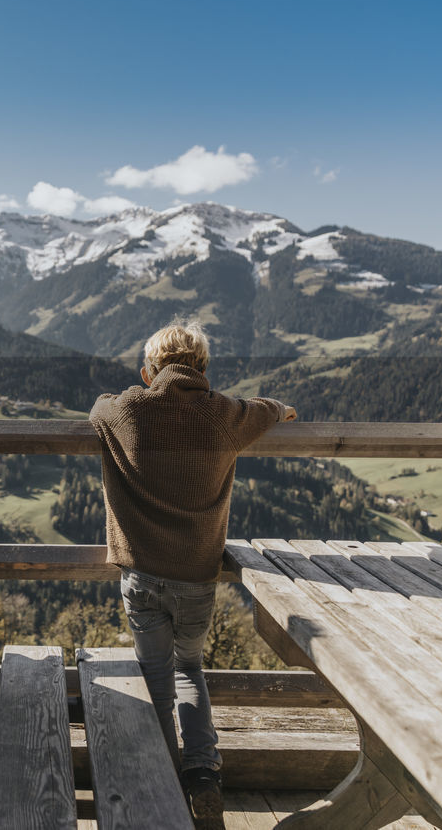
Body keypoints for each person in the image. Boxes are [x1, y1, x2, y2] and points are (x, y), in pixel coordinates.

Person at [88, 322, 294, 829]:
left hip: (141, 572)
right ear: (203, 369)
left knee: (155, 676)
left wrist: (134, 387)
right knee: (189, 669)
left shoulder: (130, 409)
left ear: (149, 370)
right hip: (198, 577)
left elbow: (97, 407)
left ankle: (161, 775)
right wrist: (281, 409)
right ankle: (203, 774)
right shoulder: (225, 413)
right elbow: (266, 409)